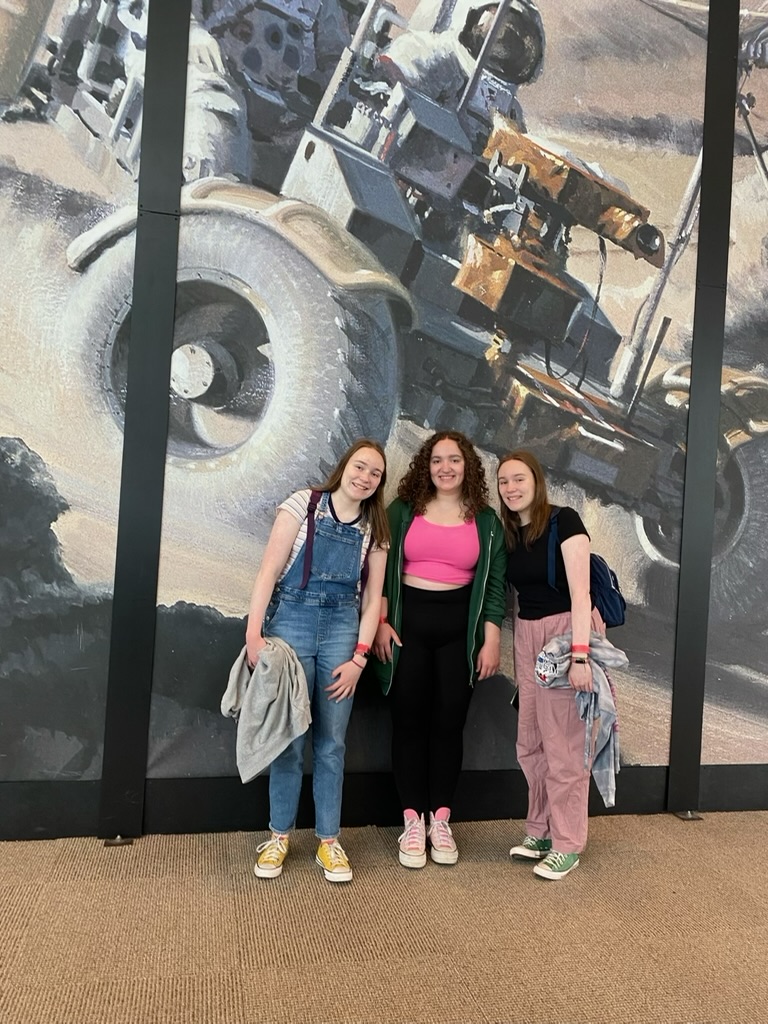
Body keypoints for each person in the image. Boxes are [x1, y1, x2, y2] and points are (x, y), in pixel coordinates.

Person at [245, 439, 389, 883]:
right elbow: (269, 571)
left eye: (375, 474)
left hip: (344, 632)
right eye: (360, 467)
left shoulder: (375, 530)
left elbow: (372, 601)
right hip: (292, 623)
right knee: (289, 738)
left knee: (332, 743)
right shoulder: (302, 505)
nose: (364, 478)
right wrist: (253, 635)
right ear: (345, 465)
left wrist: (359, 659)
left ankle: (329, 841)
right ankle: (278, 836)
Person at [372, 431, 506, 868]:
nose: (445, 468)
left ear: (468, 465)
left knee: (449, 724)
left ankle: (440, 820)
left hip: (458, 633)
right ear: (425, 467)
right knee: (408, 723)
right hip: (407, 627)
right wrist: (381, 622)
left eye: (454, 460)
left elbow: (495, 588)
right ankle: (412, 821)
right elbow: (382, 566)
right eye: (436, 461)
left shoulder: (486, 521)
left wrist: (491, 636)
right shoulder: (403, 510)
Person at [497, 449, 603, 881]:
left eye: (519, 479)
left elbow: (582, 595)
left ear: (536, 481)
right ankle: (540, 830)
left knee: (563, 746)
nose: (511, 488)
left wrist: (580, 656)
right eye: (504, 481)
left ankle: (567, 843)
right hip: (527, 635)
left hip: (564, 636)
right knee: (532, 741)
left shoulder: (565, 521)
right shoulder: (512, 532)